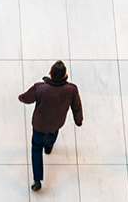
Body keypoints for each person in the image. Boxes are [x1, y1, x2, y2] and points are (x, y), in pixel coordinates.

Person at [18, 61, 83, 192]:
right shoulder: (71, 89)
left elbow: (26, 98)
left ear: (50, 73)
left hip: (39, 125)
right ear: (65, 75)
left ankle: (37, 180)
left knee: (36, 148)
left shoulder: (40, 88)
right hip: (57, 122)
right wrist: (78, 120)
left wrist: (21, 97)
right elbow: (77, 107)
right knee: (52, 135)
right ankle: (48, 148)